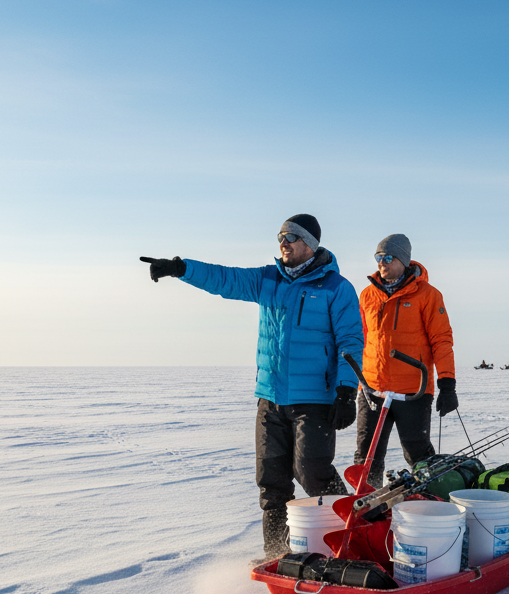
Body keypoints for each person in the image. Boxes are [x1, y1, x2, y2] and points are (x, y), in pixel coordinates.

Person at [140, 214, 364, 559]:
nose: (283, 243)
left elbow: (350, 340)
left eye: (290, 237)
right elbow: (224, 279)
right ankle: (277, 554)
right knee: (271, 482)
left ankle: (356, 535)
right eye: (280, 237)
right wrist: (181, 268)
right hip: (270, 399)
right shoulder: (267, 280)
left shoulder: (336, 287)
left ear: (309, 244)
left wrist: (347, 390)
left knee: (313, 474)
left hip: (314, 400)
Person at [355, 234, 457, 486]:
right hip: (373, 390)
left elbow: (441, 340)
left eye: (388, 257)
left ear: (403, 259)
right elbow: (359, 341)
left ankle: (432, 504)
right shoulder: (367, 295)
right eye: (378, 257)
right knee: (367, 457)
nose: (382, 262)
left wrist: (447, 384)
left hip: (414, 391)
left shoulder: (428, 295)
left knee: (418, 454)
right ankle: (366, 509)